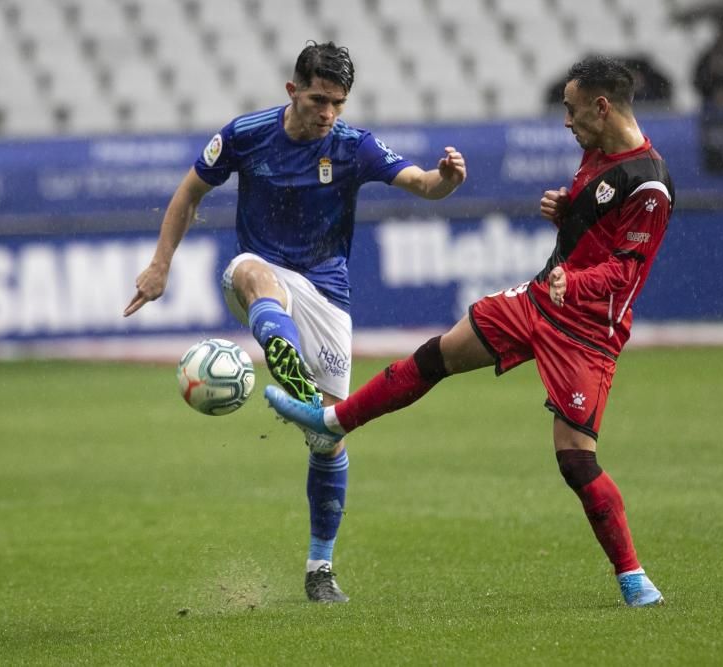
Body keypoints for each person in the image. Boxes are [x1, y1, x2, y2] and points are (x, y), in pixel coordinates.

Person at [267, 55, 674, 607]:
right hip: (540, 301)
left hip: (587, 331)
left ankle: (634, 579)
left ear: (602, 108)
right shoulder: (596, 151)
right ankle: (333, 422)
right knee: (440, 354)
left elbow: (627, 268)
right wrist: (566, 210)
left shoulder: (650, 184)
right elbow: (595, 230)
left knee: (576, 461)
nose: (566, 121)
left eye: (572, 110)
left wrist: (570, 282)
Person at [123, 41, 467, 603]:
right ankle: (286, 362)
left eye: (337, 102)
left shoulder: (354, 147)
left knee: (326, 439)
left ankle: (320, 569)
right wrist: (160, 265)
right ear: (292, 91)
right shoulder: (246, 134)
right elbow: (188, 193)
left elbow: (424, 185)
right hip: (259, 276)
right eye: (317, 99)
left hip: (326, 296)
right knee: (256, 275)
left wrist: (447, 178)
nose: (327, 112)